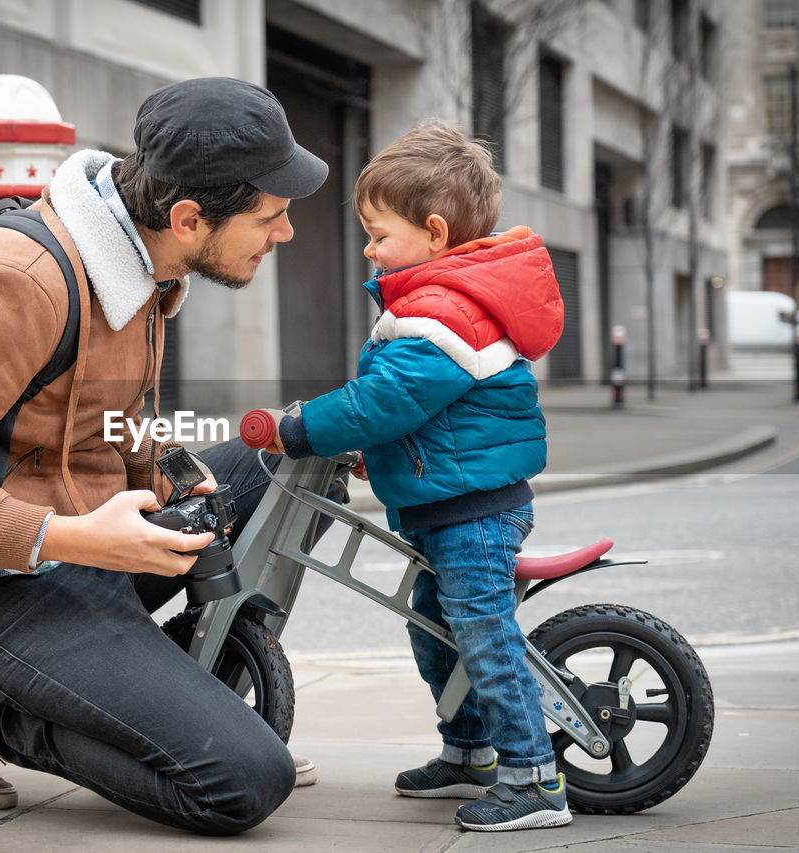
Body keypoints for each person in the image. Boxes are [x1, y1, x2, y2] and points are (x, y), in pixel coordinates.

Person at [0, 76, 328, 836]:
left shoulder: (144, 265)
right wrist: (75, 537)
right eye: (271, 215)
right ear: (190, 216)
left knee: (289, 462)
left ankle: (155, 694)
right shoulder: (17, 284)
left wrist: (262, 447)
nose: (286, 232)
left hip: (80, 543)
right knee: (243, 780)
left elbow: (107, 426)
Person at [258, 121, 569, 831]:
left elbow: (385, 400)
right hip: (448, 501)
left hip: (474, 511)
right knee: (436, 628)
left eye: (377, 233)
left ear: (432, 232)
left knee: (481, 630)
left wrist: (297, 427)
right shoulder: (433, 303)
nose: (367, 249)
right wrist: (378, 452)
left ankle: (534, 779)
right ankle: (469, 752)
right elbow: (424, 415)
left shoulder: (441, 314)